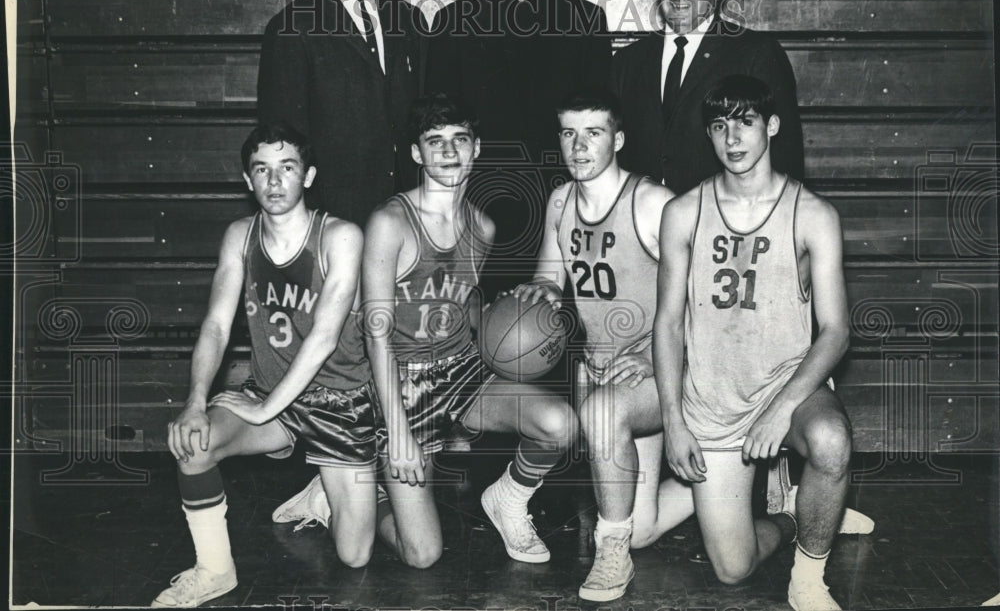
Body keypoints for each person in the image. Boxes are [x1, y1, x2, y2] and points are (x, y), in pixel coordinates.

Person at [271, 95, 579, 568]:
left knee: (559, 424)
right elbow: (375, 332)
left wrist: (518, 311)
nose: (449, 151)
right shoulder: (391, 223)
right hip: (399, 381)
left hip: (459, 372)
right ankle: (332, 498)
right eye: (435, 142)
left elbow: (466, 300)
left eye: (459, 140)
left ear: (476, 149)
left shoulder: (483, 224)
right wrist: (397, 432)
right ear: (417, 154)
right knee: (422, 555)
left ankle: (509, 499)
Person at [151, 124, 378, 607]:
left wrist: (262, 409)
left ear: (309, 176)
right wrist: (194, 401)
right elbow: (215, 324)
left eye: (287, 168)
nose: (275, 182)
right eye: (262, 170)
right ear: (247, 179)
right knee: (194, 443)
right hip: (270, 396)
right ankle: (215, 569)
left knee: (355, 556)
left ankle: (323, 490)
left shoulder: (341, 236)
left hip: (340, 402)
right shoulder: (240, 236)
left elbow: (324, 337)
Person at [653, 75, 852, 610]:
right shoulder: (683, 212)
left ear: (773, 126)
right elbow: (668, 323)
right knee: (732, 570)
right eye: (720, 126)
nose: (732, 138)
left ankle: (808, 578)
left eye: (745, 122)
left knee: (832, 442)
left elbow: (836, 332)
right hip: (714, 398)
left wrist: (780, 410)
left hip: (791, 386)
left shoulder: (813, 214)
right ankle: (792, 515)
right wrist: (674, 420)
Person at [513, 90, 688, 601]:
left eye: (593, 132)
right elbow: (550, 277)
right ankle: (731, 477)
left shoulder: (654, 203)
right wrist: (537, 293)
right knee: (644, 528)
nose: (579, 145)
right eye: (568, 133)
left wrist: (650, 353)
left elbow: (704, 300)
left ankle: (610, 554)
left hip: (660, 371)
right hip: (605, 371)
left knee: (603, 416)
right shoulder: (561, 201)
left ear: (619, 139)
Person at [425, 0, 612, 295]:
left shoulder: (584, 20)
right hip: (479, 205)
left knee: (558, 325)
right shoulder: (453, 22)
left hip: (562, 202)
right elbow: (435, 126)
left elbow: (601, 127)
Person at [257, 0, 423, 227]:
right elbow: (281, 139)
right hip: (333, 219)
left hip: (408, 215)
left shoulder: (408, 19)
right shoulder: (293, 27)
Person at [613, 0, 805, 195]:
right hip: (641, 226)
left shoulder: (756, 53)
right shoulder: (628, 61)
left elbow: (785, 157)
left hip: (724, 225)